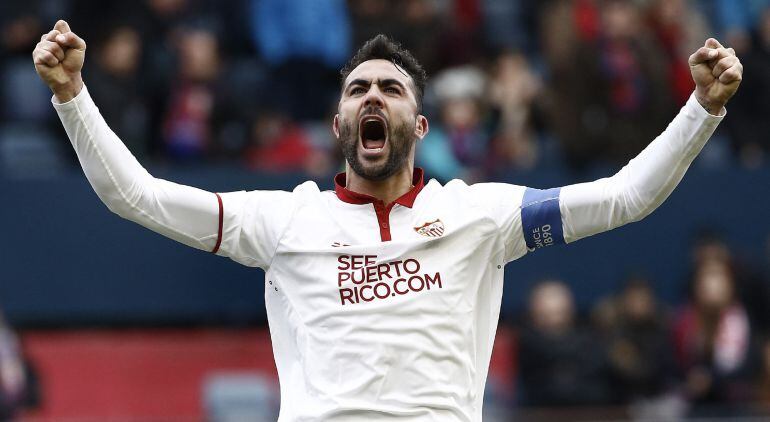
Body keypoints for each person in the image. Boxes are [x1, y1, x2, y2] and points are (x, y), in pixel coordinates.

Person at [32, 18, 742, 421]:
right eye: (359, 88)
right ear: (339, 120)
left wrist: (701, 108)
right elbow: (138, 196)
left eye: (392, 88)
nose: (375, 96)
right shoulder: (281, 222)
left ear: (419, 121)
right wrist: (72, 96)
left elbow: (623, 197)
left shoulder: (480, 214)